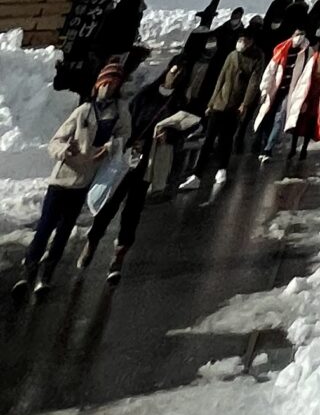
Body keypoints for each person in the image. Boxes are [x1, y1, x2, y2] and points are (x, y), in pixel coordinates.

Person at [78, 63, 199, 283]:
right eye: (174, 70)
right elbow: (126, 120)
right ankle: (92, 241)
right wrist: (127, 140)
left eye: (180, 73)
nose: (175, 75)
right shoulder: (146, 94)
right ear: (167, 71)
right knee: (109, 202)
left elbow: (185, 129)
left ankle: (119, 256)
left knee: (132, 210)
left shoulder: (179, 102)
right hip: (127, 156)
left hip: (149, 162)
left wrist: (169, 136)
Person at [13, 63, 125, 296]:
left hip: (84, 180)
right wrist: (65, 150)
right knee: (45, 227)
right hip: (62, 179)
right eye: (105, 83)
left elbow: (124, 136)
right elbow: (55, 142)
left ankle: (46, 274)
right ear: (98, 85)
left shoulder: (118, 113)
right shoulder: (84, 111)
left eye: (113, 84)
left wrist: (110, 147)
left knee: (64, 231)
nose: (108, 88)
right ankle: (28, 270)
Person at [187, 31, 264, 187]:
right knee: (209, 139)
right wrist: (211, 103)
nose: (241, 43)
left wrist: (245, 103)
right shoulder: (232, 56)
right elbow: (221, 79)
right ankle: (197, 174)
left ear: (250, 41)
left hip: (235, 105)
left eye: (244, 40)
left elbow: (254, 83)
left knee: (226, 139)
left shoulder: (256, 58)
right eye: (240, 40)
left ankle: (222, 168)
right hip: (219, 102)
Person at [282, 36, 320, 169]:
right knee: (298, 122)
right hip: (307, 94)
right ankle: (293, 148)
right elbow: (304, 78)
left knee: (311, 124)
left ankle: (304, 149)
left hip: (318, 97)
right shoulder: (314, 58)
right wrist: (300, 96)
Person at [253, 29, 310, 159]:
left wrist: (302, 97)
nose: (299, 37)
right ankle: (263, 144)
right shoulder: (282, 49)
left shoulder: (307, 53)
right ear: (292, 35)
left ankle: (268, 149)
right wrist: (265, 90)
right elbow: (270, 71)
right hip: (275, 89)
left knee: (280, 118)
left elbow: (306, 77)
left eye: (302, 34)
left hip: (290, 92)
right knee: (267, 116)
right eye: (297, 34)